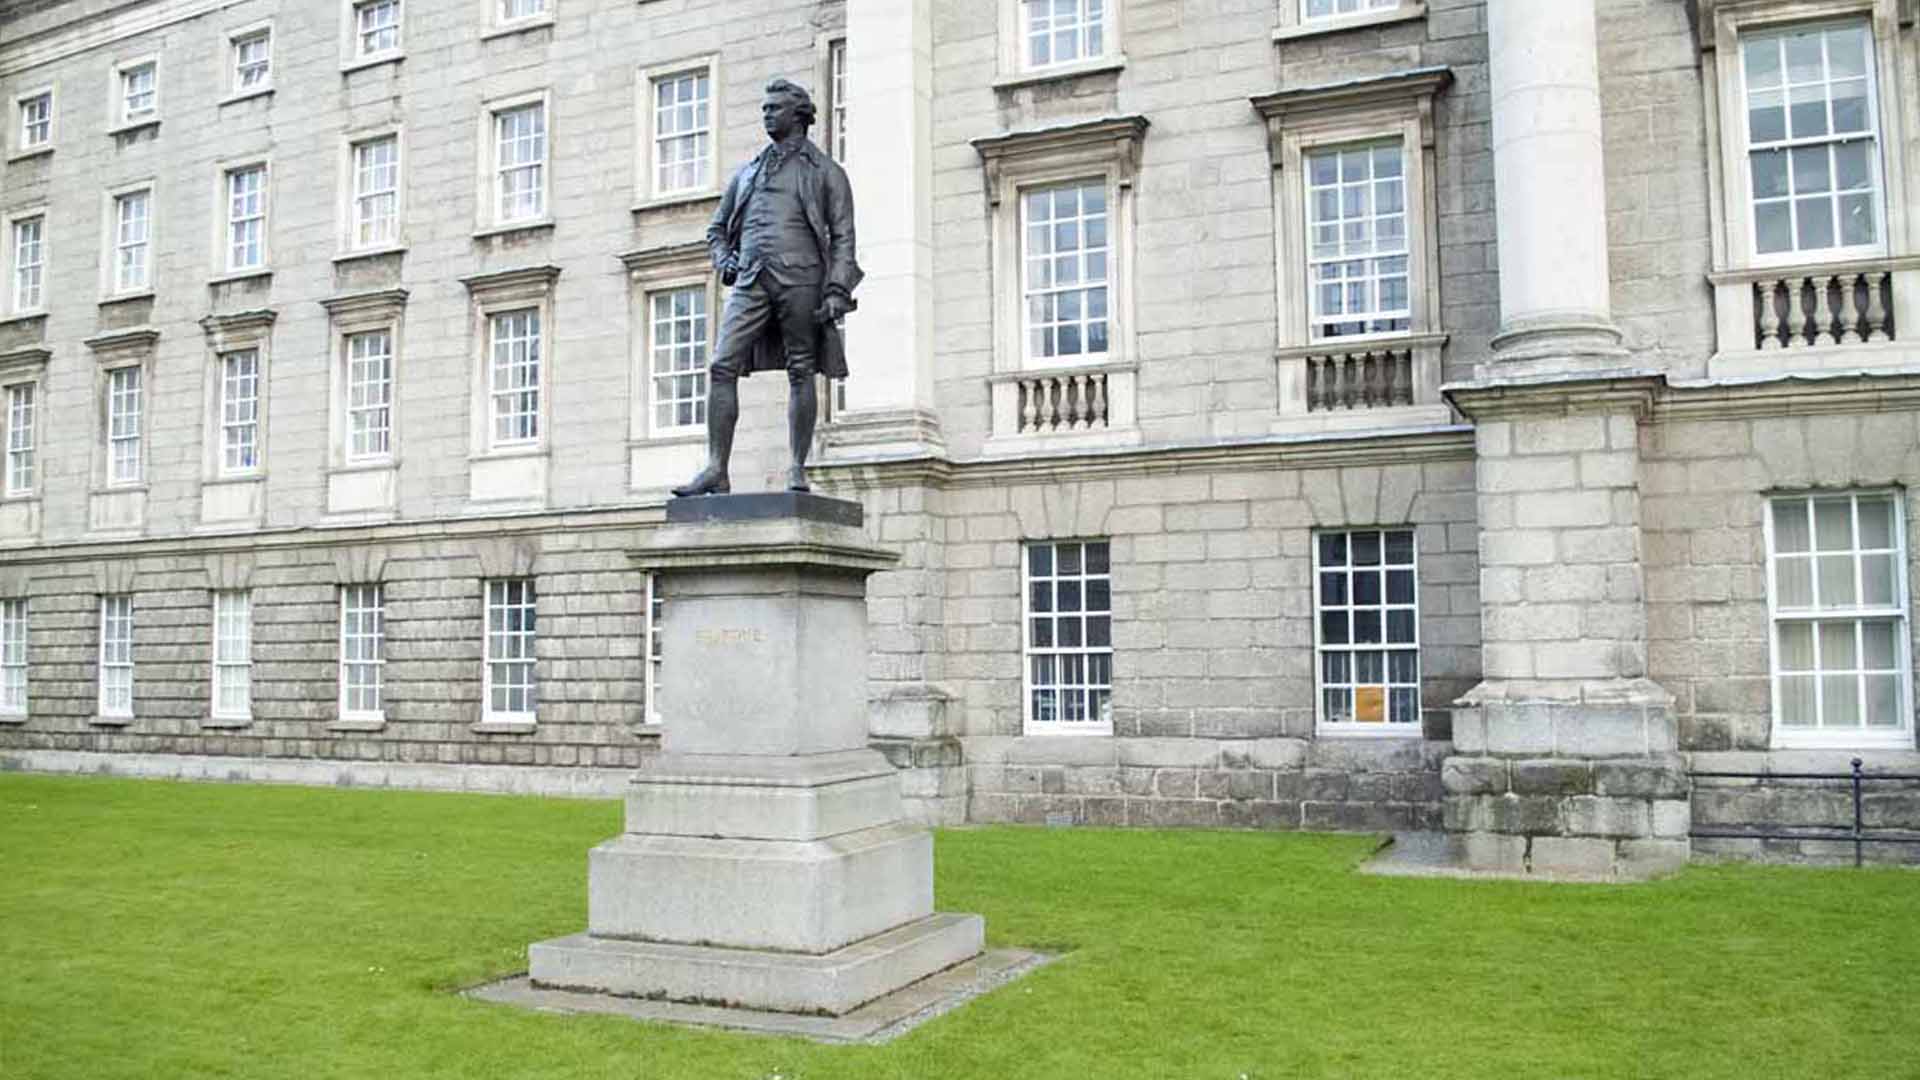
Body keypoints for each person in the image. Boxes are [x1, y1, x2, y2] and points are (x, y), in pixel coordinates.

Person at [671, 77, 861, 496]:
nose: (766, 114)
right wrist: (725, 259)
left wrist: (836, 290)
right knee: (722, 365)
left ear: (799, 116)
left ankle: (797, 467)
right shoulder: (748, 172)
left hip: (802, 277)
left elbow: (844, 236)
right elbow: (716, 229)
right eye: (764, 108)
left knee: (801, 370)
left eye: (775, 107)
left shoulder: (827, 172)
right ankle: (716, 469)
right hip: (752, 278)